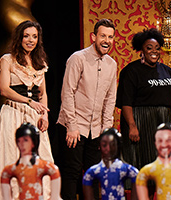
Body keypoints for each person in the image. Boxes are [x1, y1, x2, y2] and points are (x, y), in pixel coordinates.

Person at [0, 20, 53, 200]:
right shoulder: (8, 59)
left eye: (34, 36)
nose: (30, 40)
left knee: (38, 158)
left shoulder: (39, 62)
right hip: (13, 113)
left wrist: (44, 114)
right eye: (26, 36)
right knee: (11, 155)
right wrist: (29, 102)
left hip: (34, 117)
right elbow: (4, 89)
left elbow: (43, 93)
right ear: (19, 38)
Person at [56, 18, 117, 200]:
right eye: (103, 36)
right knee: (72, 172)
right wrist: (72, 126)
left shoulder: (111, 64)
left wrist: (106, 131)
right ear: (94, 36)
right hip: (74, 126)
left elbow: (110, 99)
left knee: (93, 175)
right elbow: (67, 93)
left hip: (96, 130)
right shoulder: (78, 58)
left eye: (110, 37)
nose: (106, 41)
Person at [116, 28, 171, 179]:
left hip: (162, 121)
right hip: (139, 120)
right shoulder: (132, 70)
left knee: (160, 167)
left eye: (157, 48)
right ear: (141, 50)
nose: (154, 51)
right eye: (149, 48)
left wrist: (164, 104)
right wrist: (132, 126)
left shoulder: (166, 70)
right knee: (140, 167)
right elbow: (126, 101)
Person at [1, 123, 61, 200]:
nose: (22, 144)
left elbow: (55, 197)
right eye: (19, 141)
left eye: (26, 140)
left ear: (34, 142)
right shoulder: (9, 170)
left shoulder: (47, 167)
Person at [82, 128, 139, 200]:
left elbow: (137, 177)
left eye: (112, 145)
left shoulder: (126, 169)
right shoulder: (94, 171)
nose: (108, 149)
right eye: (104, 145)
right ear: (99, 146)